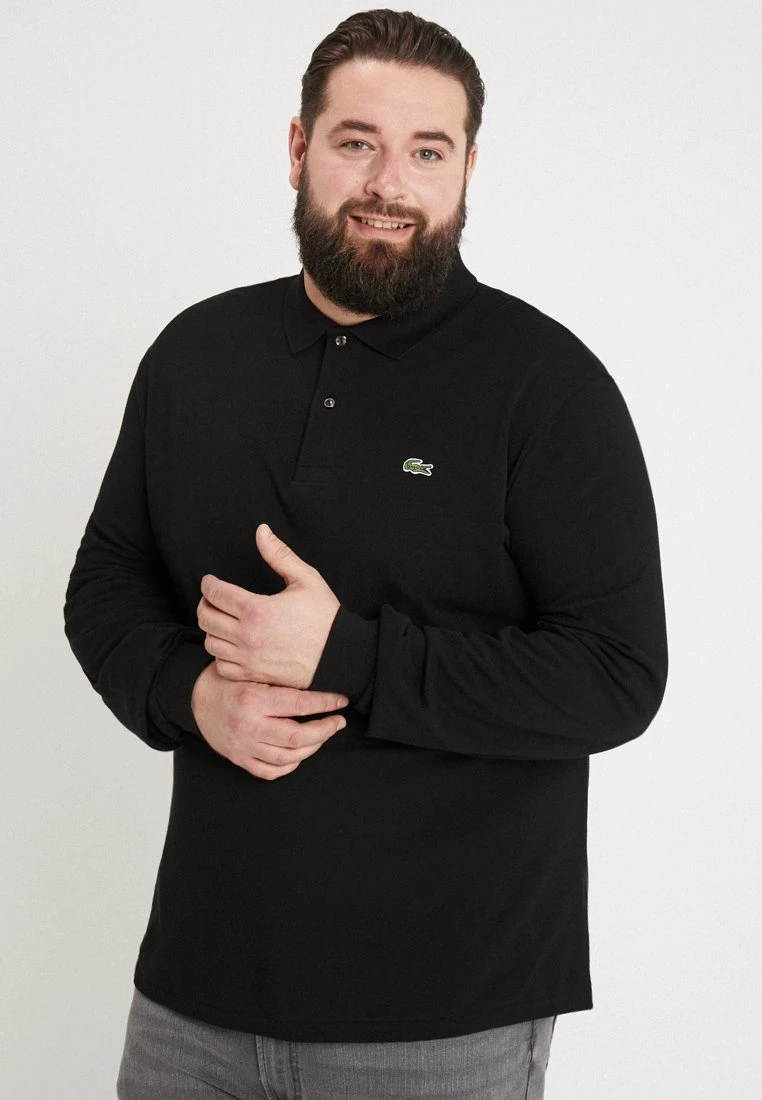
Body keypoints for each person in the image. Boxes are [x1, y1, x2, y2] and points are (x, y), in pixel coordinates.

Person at [64, 9, 668, 1099]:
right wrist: (190, 694)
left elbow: (617, 676)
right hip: (192, 1003)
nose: (390, 182)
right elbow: (106, 580)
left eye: (428, 151)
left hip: (443, 1023)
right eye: (357, 142)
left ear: (469, 168)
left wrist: (346, 653)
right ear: (299, 147)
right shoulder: (196, 354)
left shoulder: (549, 386)